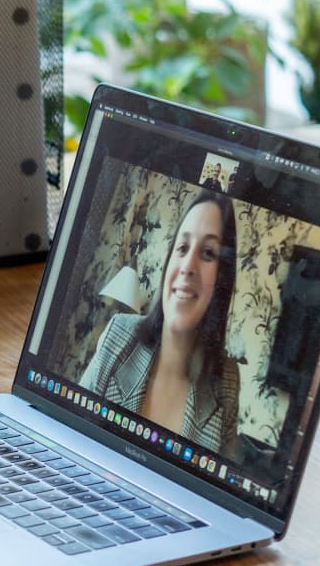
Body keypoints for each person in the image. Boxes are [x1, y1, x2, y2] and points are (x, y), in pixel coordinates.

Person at [79, 190, 240, 456]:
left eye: (208, 253)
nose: (188, 266)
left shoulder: (228, 382)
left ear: (222, 279)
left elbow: (218, 490)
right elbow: (69, 429)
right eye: (182, 247)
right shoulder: (119, 334)